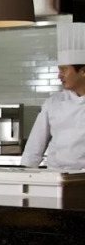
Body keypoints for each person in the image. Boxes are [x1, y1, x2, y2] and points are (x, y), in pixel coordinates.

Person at [21, 22, 85, 170]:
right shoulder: (53, 103)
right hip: (55, 176)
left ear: (83, 71)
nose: (59, 75)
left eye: (64, 70)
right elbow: (34, 148)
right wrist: (25, 176)